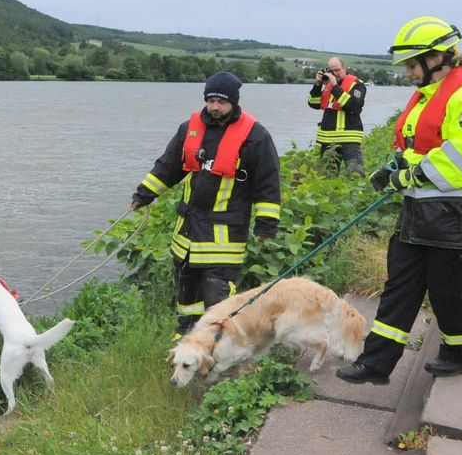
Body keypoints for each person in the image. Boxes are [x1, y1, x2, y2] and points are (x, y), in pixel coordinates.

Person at [337, 16, 462, 385]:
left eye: (413, 65)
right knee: (400, 287)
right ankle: (375, 365)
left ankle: (460, 354)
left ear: (437, 59)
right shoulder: (426, 97)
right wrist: (392, 165)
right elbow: (417, 148)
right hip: (420, 212)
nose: (409, 73)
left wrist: (408, 176)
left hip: (461, 216)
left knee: (449, 293)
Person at [130, 72, 282, 338]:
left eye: (221, 102)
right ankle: (187, 342)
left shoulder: (255, 136)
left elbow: (268, 183)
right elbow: (168, 167)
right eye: (210, 100)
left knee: (218, 299)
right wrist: (144, 194)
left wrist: (266, 225)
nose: (214, 107)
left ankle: (220, 350)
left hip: (222, 238)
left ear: (233, 102)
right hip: (187, 235)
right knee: (186, 296)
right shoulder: (190, 129)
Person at [307, 56, 366, 175]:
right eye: (331, 71)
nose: (335, 74)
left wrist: (335, 86)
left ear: (344, 68)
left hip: (349, 140)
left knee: (355, 175)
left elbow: (352, 105)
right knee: (326, 177)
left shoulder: (357, 85)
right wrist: (318, 84)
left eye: (337, 70)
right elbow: (313, 104)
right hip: (328, 141)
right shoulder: (328, 87)